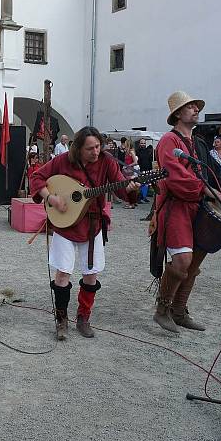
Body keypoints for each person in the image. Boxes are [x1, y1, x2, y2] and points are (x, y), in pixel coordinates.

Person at [29, 127, 140, 340]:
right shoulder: (62, 161)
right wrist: (51, 198)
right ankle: (61, 320)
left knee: (91, 275)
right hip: (66, 226)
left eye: (98, 146)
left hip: (92, 226)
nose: (96, 152)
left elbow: (119, 188)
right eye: (90, 148)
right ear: (78, 148)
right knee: (63, 273)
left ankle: (83, 317)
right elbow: (37, 178)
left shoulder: (107, 161)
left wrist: (130, 188)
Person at [151, 91, 221, 333]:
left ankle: (179, 310)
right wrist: (208, 191)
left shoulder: (198, 143)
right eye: (190, 107)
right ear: (178, 113)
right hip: (176, 205)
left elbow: (214, 169)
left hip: (198, 206)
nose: (196, 110)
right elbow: (176, 175)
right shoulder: (169, 140)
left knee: (194, 262)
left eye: (196, 107)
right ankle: (162, 309)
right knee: (182, 261)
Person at [123, 141, 139, 208]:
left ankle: (131, 203)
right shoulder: (127, 152)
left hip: (130, 171)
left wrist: (128, 166)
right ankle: (133, 202)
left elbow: (135, 162)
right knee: (129, 186)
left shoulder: (131, 152)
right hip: (127, 171)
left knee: (130, 186)